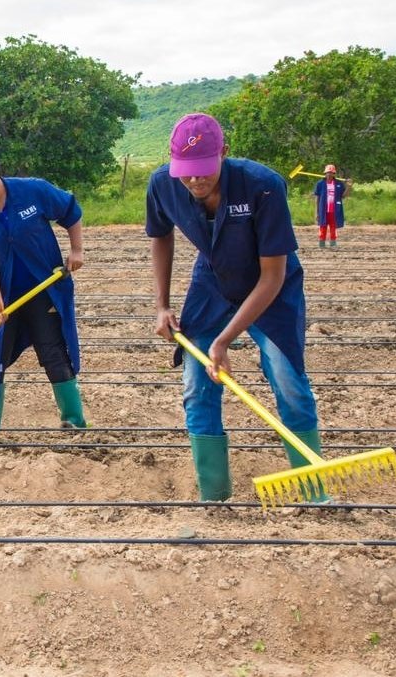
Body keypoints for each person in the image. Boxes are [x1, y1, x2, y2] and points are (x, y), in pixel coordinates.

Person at [146, 113, 323, 502]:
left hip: (271, 289)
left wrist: (225, 340)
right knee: (196, 382)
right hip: (212, 282)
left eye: (203, 171)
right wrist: (161, 305)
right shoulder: (163, 184)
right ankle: (215, 493)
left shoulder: (263, 186)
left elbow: (272, 276)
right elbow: (161, 238)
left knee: (287, 379)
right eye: (186, 172)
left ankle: (313, 490)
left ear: (224, 153)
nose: (194, 180)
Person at [0, 142, 87, 429]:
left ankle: (74, 422)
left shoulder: (33, 190)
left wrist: (76, 250)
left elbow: (70, 211)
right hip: (2, 296)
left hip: (44, 289)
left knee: (53, 350)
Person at [312, 164, 350, 248]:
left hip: (335, 210)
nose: (329, 174)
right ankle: (322, 244)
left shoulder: (339, 184)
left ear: (334, 174)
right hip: (323, 210)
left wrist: (348, 186)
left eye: (331, 173)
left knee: (333, 227)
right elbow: (317, 198)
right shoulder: (320, 184)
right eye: (327, 172)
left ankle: (333, 244)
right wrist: (316, 212)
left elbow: (343, 196)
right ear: (325, 173)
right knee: (323, 226)